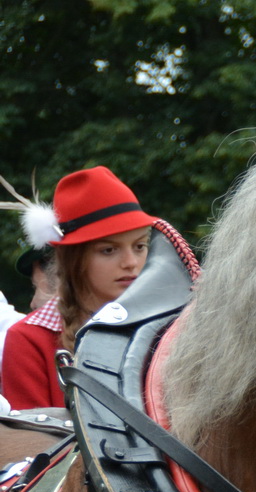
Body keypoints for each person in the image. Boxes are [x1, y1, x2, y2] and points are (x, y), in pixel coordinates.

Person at [2, 166, 158, 408]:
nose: (131, 263)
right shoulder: (29, 340)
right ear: (72, 259)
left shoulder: (167, 328)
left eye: (139, 246)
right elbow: (32, 443)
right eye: (108, 250)